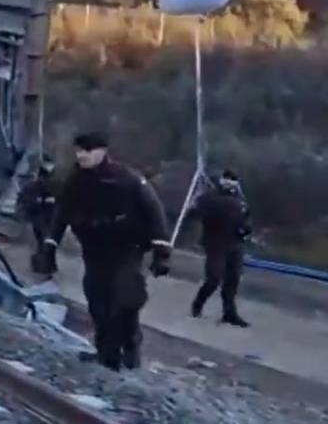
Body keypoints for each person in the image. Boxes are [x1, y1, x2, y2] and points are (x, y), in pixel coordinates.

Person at [37, 132, 172, 371]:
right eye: (78, 150)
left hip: (126, 247)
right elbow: (61, 215)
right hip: (94, 249)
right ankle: (106, 354)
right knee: (98, 300)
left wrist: (162, 251)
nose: (81, 155)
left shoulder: (127, 179)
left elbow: (154, 211)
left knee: (126, 297)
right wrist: (49, 247)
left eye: (87, 150)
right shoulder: (75, 182)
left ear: (102, 152)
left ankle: (130, 347)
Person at [186, 169, 252, 327]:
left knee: (233, 280)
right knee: (214, 279)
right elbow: (194, 213)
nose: (232, 184)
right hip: (216, 243)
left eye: (234, 180)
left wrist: (246, 231)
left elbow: (246, 219)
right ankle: (197, 305)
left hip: (235, 243)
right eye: (229, 180)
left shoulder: (240, 199)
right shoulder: (210, 198)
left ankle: (229, 313)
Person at [19, 157, 58, 274]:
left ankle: (46, 266)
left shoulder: (54, 185)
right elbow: (26, 201)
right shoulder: (32, 186)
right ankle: (41, 266)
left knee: (48, 241)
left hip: (50, 217)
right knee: (41, 241)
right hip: (37, 217)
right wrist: (42, 201)